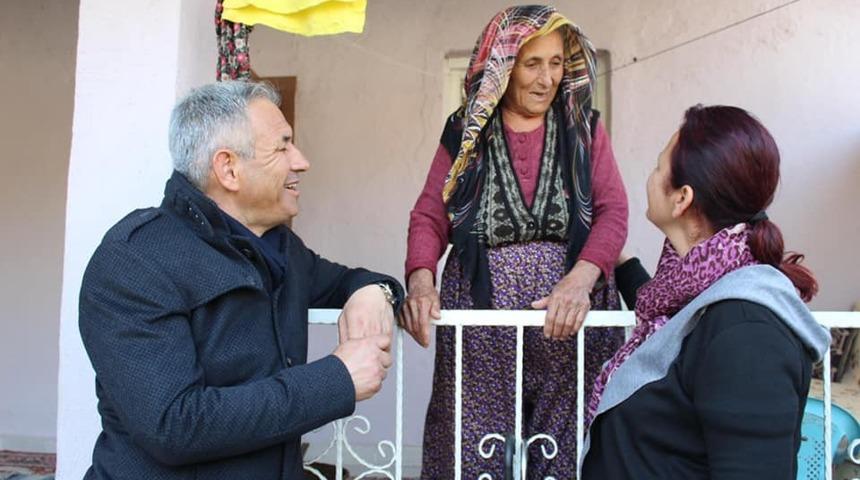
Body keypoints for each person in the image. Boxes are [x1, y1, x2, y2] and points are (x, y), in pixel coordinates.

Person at [78, 81, 404, 480]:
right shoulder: (136, 260)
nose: (301, 161)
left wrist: (374, 292)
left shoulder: (281, 249)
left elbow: (353, 279)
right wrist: (336, 380)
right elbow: (173, 426)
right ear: (228, 168)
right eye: (283, 146)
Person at [402, 5, 628, 477]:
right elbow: (430, 214)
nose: (546, 79)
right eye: (532, 63)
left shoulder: (584, 129)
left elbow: (612, 212)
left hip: (570, 320)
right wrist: (421, 282)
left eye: (556, 63)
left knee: (563, 452)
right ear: (503, 65)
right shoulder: (467, 130)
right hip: (482, 325)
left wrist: (580, 282)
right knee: (470, 445)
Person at [580, 105, 832, 479]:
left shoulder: (747, 332)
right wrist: (615, 256)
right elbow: (670, 322)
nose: (650, 179)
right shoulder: (701, 291)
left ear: (682, 198)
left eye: (657, 168)